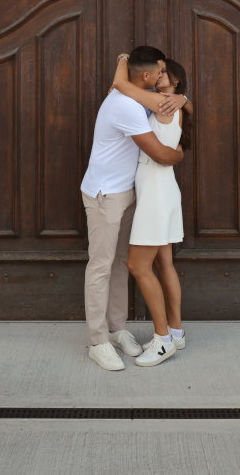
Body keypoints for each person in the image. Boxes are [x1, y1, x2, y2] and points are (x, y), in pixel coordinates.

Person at [79, 46, 186, 371]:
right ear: (146, 75)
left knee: (120, 264)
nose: (162, 77)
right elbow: (161, 155)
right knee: (101, 266)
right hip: (105, 194)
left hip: (127, 192)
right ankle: (97, 341)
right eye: (159, 71)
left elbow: (175, 100)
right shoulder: (126, 104)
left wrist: (182, 98)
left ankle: (116, 329)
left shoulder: (140, 95)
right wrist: (179, 154)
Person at [111, 53, 191, 367]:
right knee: (164, 263)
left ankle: (162, 340)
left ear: (176, 79)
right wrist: (185, 98)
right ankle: (176, 332)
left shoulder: (162, 103)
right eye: (158, 71)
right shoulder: (172, 104)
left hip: (156, 193)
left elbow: (120, 84)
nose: (158, 75)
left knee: (138, 265)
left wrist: (123, 60)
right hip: (162, 188)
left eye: (165, 72)